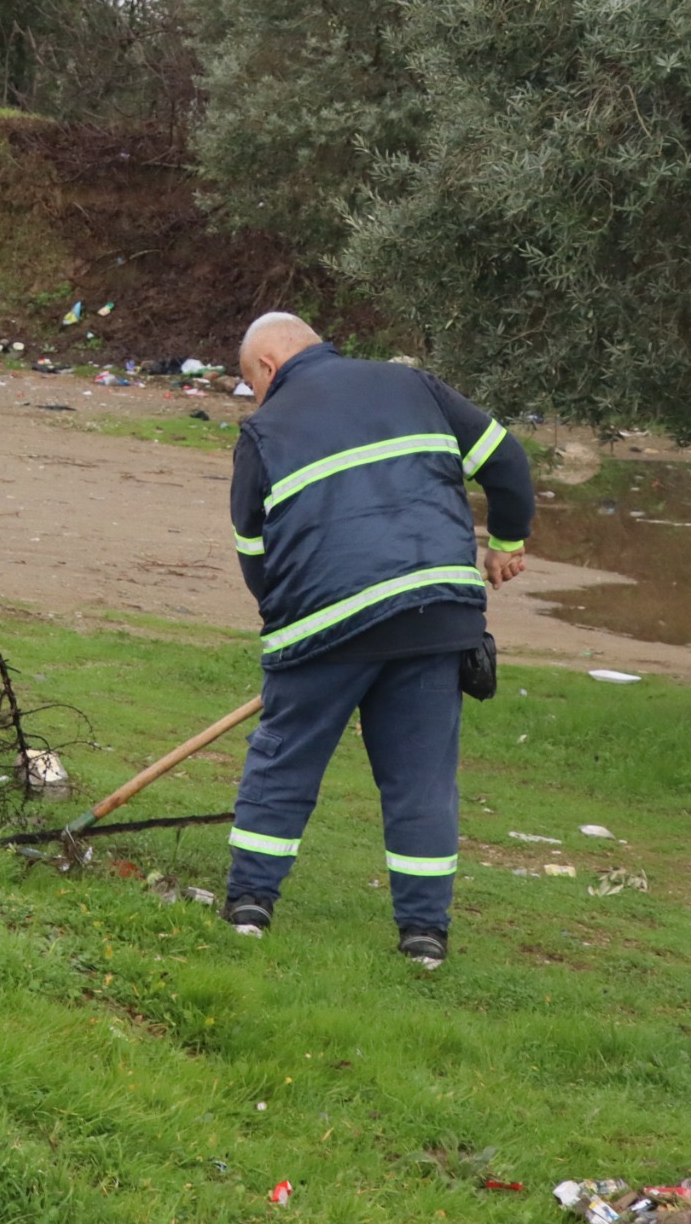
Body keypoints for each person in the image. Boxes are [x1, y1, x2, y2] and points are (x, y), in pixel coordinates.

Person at [219, 311, 533, 968]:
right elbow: (505, 460)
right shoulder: (412, 386)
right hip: (437, 614)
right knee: (421, 780)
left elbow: (256, 554)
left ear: (268, 368)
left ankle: (250, 906)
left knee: (285, 761)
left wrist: (287, 633)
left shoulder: (264, 433)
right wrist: (505, 543)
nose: (254, 398)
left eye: (251, 383)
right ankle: (424, 938)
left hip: (325, 620)